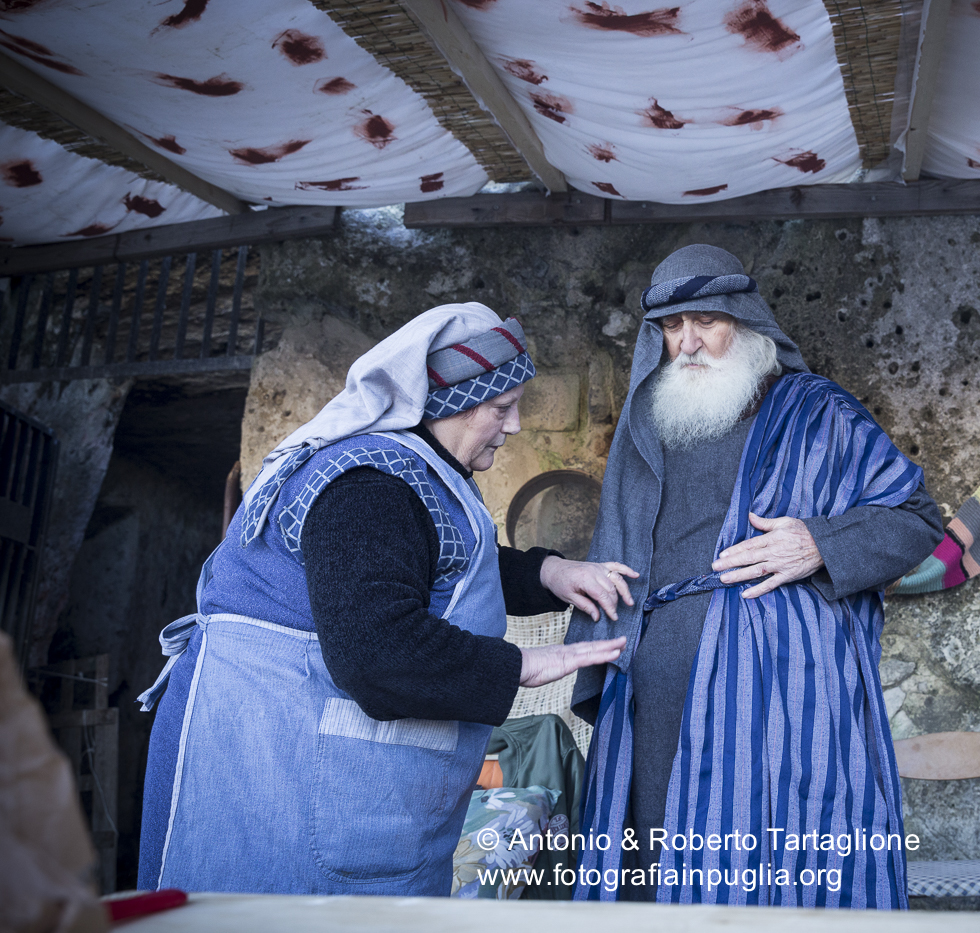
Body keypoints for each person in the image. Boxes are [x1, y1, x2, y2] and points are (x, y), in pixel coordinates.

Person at [136, 303, 634, 896]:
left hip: (300, 766)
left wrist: (548, 571)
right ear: (453, 402)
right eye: (502, 408)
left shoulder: (413, 473)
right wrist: (522, 665)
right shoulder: (368, 485)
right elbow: (378, 652)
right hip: (270, 762)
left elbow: (426, 563)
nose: (516, 426)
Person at [565, 245, 944, 907]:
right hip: (655, 701)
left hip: (776, 698)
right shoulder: (651, 422)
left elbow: (917, 518)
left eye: (705, 321)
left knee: (773, 876)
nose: (687, 342)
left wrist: (817, 543)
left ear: (743, 321)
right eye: (671, 326)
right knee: (658, 884)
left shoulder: (817, 411)